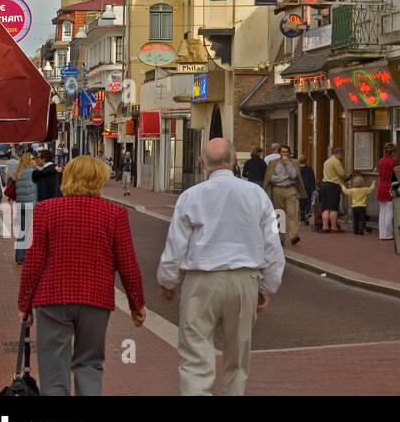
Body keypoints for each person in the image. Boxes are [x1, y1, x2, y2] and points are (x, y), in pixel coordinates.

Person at [156, 138, 285, 396]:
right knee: (237, 357)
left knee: (195, 355)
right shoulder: (257, 195)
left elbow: (175, 245)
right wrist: (267, 286)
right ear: (235, 161)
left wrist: (168, 281)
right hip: (244, 279)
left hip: (201, 280)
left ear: (202, 163)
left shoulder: (190, 197)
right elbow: (272, 243)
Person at [17, 156, 146, 395]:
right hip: (95, 299)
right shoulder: (114, 213)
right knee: (90, 363)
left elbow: (34, 260)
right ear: (99, 180)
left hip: (52, 298)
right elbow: (127, 263)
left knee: (53, 367)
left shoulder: (46, 210)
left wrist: (25, 303)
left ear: (67, 178)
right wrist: (136, 304)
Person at [263, 147, 307, 246]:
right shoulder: (273, 163)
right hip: (278, 190)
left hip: (291, 189)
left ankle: (294, 236)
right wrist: (284, 177)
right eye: (283, 152)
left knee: (292, 214)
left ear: (289, 153)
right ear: (279, 153)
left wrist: (287, 164)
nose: (285, 154)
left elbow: (294, 176)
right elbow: (271, 178)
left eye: (287, 152)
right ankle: (280, 237)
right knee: (279, 213)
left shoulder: (294, 162)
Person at [12, 153, 38, 265]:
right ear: (29, 161)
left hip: (21, 205)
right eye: (33, 158)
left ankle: (19, 255)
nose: (35, 160)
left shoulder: (19, 174)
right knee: (29, 231)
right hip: (31, 205)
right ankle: (24, 256)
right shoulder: (33, 172)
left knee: (23, 231)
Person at [319, 145, 347, 233]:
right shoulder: (336, 161)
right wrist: (347, 176)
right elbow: (342, 173)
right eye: (342, 155)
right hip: (333, 186)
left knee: (325, 208)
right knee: (333, 208)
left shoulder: (326, 161)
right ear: (338, 154)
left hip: (324, 185)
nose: (342, 157)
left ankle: (325, 226)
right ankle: (334, 227)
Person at [376, 143, 398, 241]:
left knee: (382, 211)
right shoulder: (393, 162)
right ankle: (388, 234)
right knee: (389, 211)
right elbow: (394, 176)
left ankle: (381, 233)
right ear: (393, 151)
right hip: (389, 186)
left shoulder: (380, 161)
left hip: (381, 186)